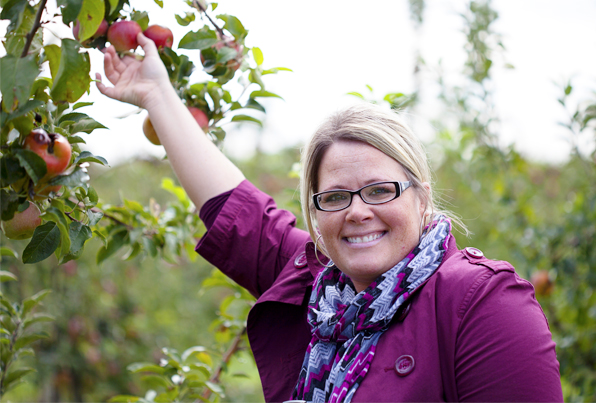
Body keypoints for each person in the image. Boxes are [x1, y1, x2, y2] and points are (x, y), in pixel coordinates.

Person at [97, 33, 564, 402]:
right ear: (316, 215)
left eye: (381, 190)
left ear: (422, 199)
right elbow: (231, 208)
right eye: (335, 197)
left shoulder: (481, 303)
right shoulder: (317, 286)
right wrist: (157, 94)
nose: (358, 212)